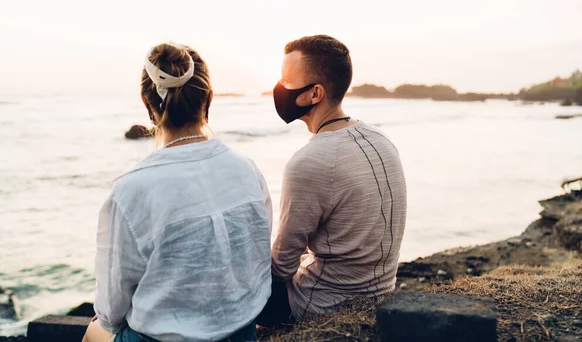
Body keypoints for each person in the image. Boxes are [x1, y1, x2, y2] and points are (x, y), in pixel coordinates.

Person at [83, 43, 272, 342]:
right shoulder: (248, 170)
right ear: (208, 100)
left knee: (95, 330)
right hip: (241, 332)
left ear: (147, 104)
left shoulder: (131, 190)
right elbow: (257, 262)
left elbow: (111, 311)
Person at [258, 35, 407, 326]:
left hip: (322, 305)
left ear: (315, 94)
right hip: (381, 291)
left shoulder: (310, 161)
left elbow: (282, 266)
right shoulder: (381, 139)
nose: (280, 88)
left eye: (287, 80)